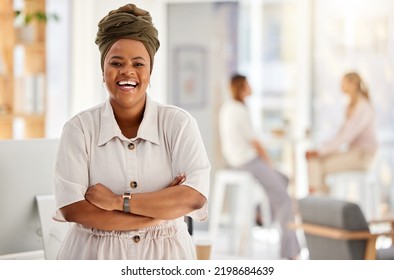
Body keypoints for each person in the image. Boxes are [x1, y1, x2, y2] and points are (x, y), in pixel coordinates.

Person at [53, 3, 211, 260]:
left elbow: (193, 198)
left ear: (150, 72)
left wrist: (117, 201)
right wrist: (159, 212)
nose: (127, 71)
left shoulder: (178, 124)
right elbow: (75, 210)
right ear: (102, 71)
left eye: (138, 64)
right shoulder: (79, 129)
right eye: (116, 62)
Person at [218, 73, 300, 260]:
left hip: (235, 161)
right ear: (241, 87)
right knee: (285, 200)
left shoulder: (227, 108)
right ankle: (290, 252)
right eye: (248, 84)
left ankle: (262, 213)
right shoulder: (239, 110)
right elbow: (255, 143)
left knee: (284, 179)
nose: (251, 87)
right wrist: (269, 163)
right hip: (248, 162)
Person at [306, 72, 378, 194]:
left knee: (318, 165)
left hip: (362, 156)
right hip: (353, 153)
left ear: (354, 84)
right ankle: (320, 203)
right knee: (314, 162)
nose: (341, 87)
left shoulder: (363, 108)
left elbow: (346, 137)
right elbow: (340, 135)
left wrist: (320, 152)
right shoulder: (351, 106)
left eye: (344, 84)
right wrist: (320, 150)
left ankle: (318, 203)